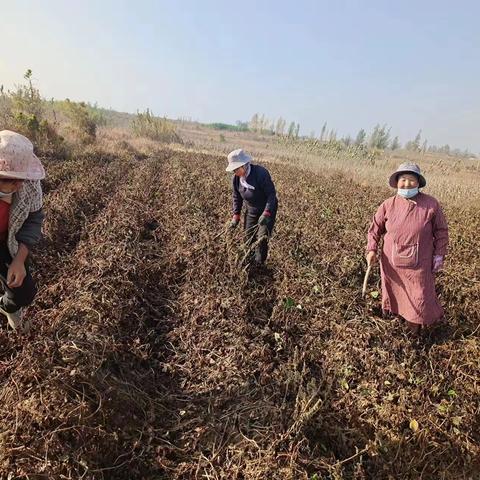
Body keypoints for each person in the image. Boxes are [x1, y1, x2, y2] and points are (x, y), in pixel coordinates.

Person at [366, 163, 448, 333]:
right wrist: (372, 249)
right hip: (392, 264)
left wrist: (439, 255)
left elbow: (441, 231)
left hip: (420, 266)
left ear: (418, 182)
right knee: (395, 295)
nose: (407, 184)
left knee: (420, 297)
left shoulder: (431, 204)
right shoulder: (388, 205)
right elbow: (375, 229)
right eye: (403, 179)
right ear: (397, 182)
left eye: (411, 180)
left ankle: (414, 335)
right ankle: (397, 333)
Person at [0, 130, 46, 331]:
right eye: (11, 180)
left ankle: (7, 306)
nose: (20, 185)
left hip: (8, 241)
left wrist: (19, 260)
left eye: (22, 179)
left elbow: (34, 219)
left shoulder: (29, 184)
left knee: (24, 293)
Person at [226, 149, 278, 266]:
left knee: (261, 238)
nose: (235, 172)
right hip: (251, 209)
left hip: (267, 207)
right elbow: (236, 197)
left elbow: (271, 195)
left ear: (244, 165)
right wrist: (236, 216)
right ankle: (248, 263)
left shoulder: (261, 173)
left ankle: (259, 264)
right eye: (233, 170)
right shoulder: (235, 179)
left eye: (236, 169)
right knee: (248, 237)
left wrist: (267, 213)